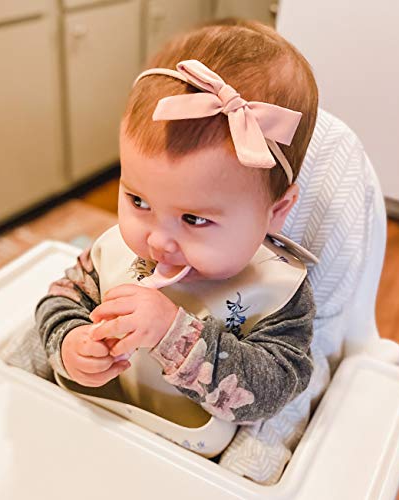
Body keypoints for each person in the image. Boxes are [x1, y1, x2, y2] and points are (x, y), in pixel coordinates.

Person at [36, 19, 318, 429]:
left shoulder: (277, 292)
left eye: (194, 218)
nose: (157, 240)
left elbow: (272, 389)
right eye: (138, 200)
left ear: (275, 211)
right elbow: (59, 301)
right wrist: (69, 344)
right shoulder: (115, 252)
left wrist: (174, 335)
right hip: (100, 425)